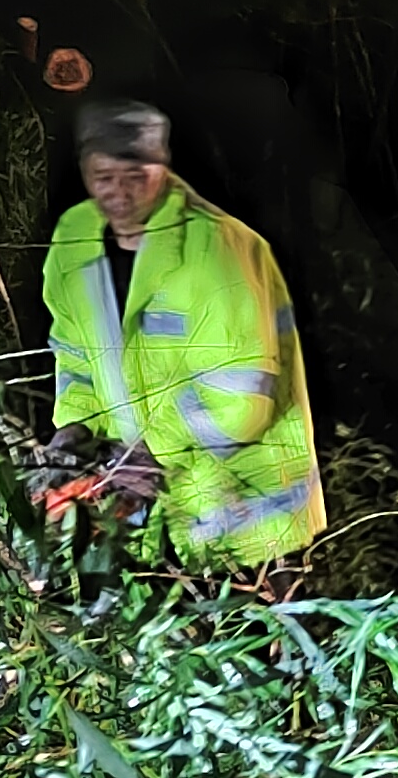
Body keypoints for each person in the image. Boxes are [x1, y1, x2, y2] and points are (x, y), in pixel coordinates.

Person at [36, 98, 328, 569]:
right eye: (103, 177)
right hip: (150, 509)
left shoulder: (218, 248)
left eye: (136, 178)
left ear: (163, 170)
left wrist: (143, 454)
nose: (119, 194)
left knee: (262, 638)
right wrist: (74, 431)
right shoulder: (74, 239)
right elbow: (74, 359)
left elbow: (240, 404)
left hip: (249, 517)